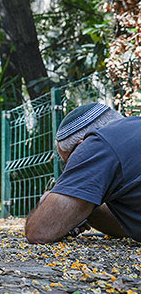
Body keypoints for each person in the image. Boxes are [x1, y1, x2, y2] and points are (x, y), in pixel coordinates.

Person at [25, 102, 141, 243]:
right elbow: (128, 227)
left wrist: (47, 204)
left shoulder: (97, 143)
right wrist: (85, 208)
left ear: (81, 147)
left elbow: (39, 231)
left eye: (69, 162)